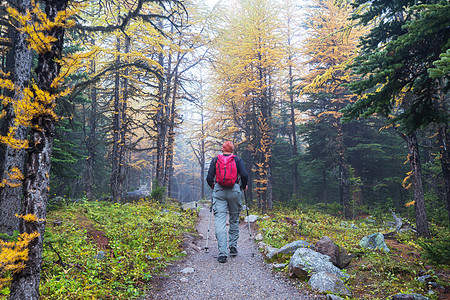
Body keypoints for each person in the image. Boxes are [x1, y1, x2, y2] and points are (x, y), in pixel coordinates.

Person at [206, 141, 248, 263]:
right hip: (234, 190)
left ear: (222, 149)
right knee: (234, 219)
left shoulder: (215, 160)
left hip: (219, 190)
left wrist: (214, 186)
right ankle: (233, 247)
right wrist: (243, 186)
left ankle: (222, 253)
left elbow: (209, 178)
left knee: (220, 221)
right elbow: (244, 175)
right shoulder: (237, 160)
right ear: (232, 150)